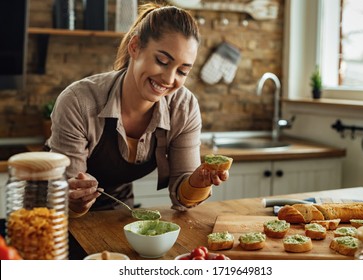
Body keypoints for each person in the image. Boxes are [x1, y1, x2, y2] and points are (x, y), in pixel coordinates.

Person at [47, 3, 230, 217]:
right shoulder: (79, 101)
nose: (169, 79)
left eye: (182, 71)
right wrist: (76, 199)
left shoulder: (183, 107)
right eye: (162, 61)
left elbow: (183, 198)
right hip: (55, 212)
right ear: (135, 47)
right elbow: (66, 195)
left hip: (117, 209)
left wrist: (198, 182)